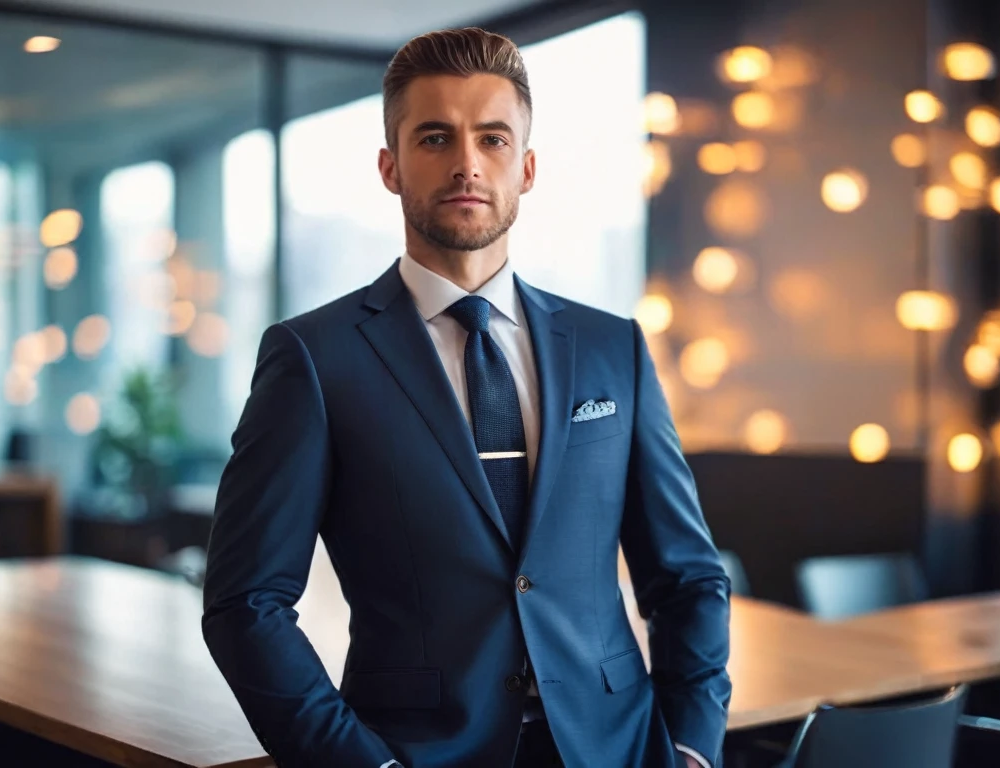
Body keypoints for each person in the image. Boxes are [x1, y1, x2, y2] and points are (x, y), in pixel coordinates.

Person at [202, 26, 731, 768]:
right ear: (390, 167)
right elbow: (243, 604)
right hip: (419, 751)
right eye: (434, 139)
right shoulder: (314, 358)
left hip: (617, 749)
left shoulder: (614, 349)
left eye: (492, 139)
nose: (466, 165)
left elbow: (688, 576)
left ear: (528, 166)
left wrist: (693, 746)